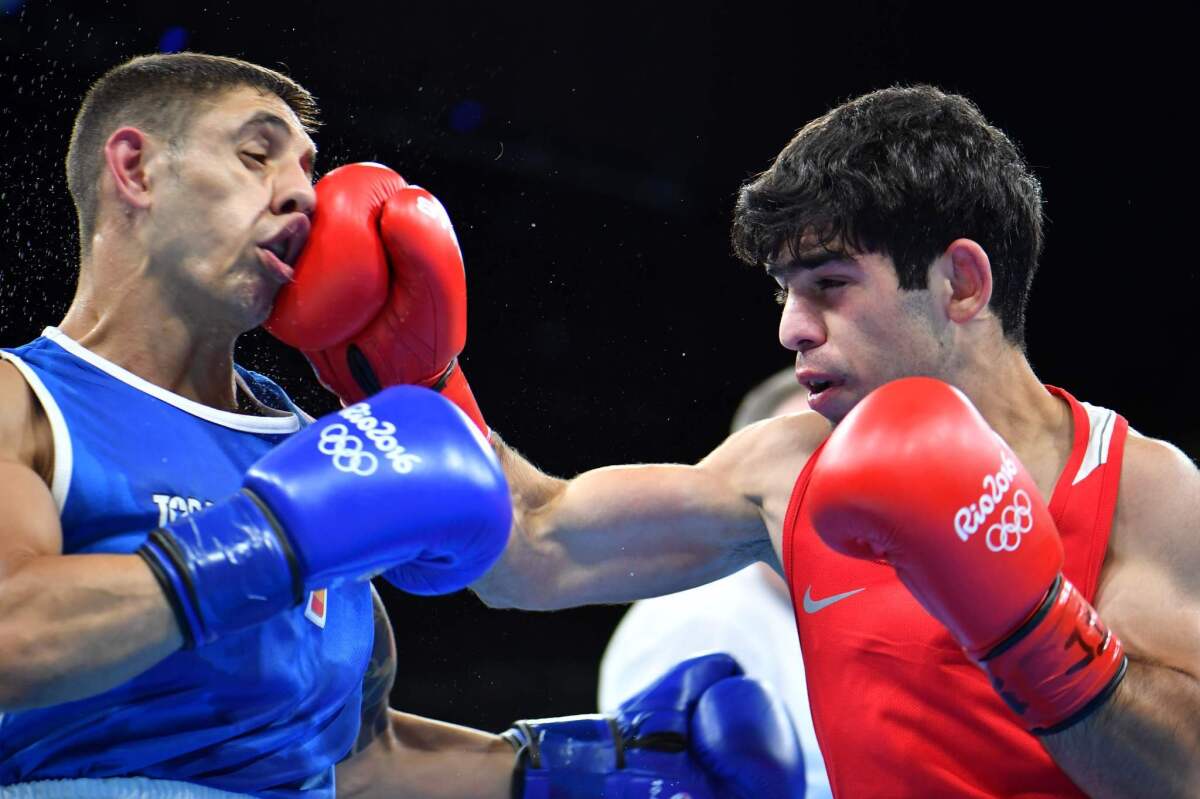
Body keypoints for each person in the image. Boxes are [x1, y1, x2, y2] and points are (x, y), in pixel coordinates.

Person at [0, 52, 806, 798]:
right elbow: (13, 635)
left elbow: (356, 755)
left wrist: (577, 765)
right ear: (135, 168)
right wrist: (269, 539)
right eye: (256, 154)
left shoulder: (321, 449)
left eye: (307, 170)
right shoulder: (25, 400)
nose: (301, 195)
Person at [429, 86, 1192, 796]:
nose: (791, 327)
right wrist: (415, 367)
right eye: (784, 290)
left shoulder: (1139, 487)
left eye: (829, 283)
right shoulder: (787, 469)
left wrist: (1034, 630)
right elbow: (531, 548)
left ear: (961, 282)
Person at [598, 368, 832, 799]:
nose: (830, 486)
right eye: (805, 468)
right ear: (756, 491)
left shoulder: (891, 603)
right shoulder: (695, 621)